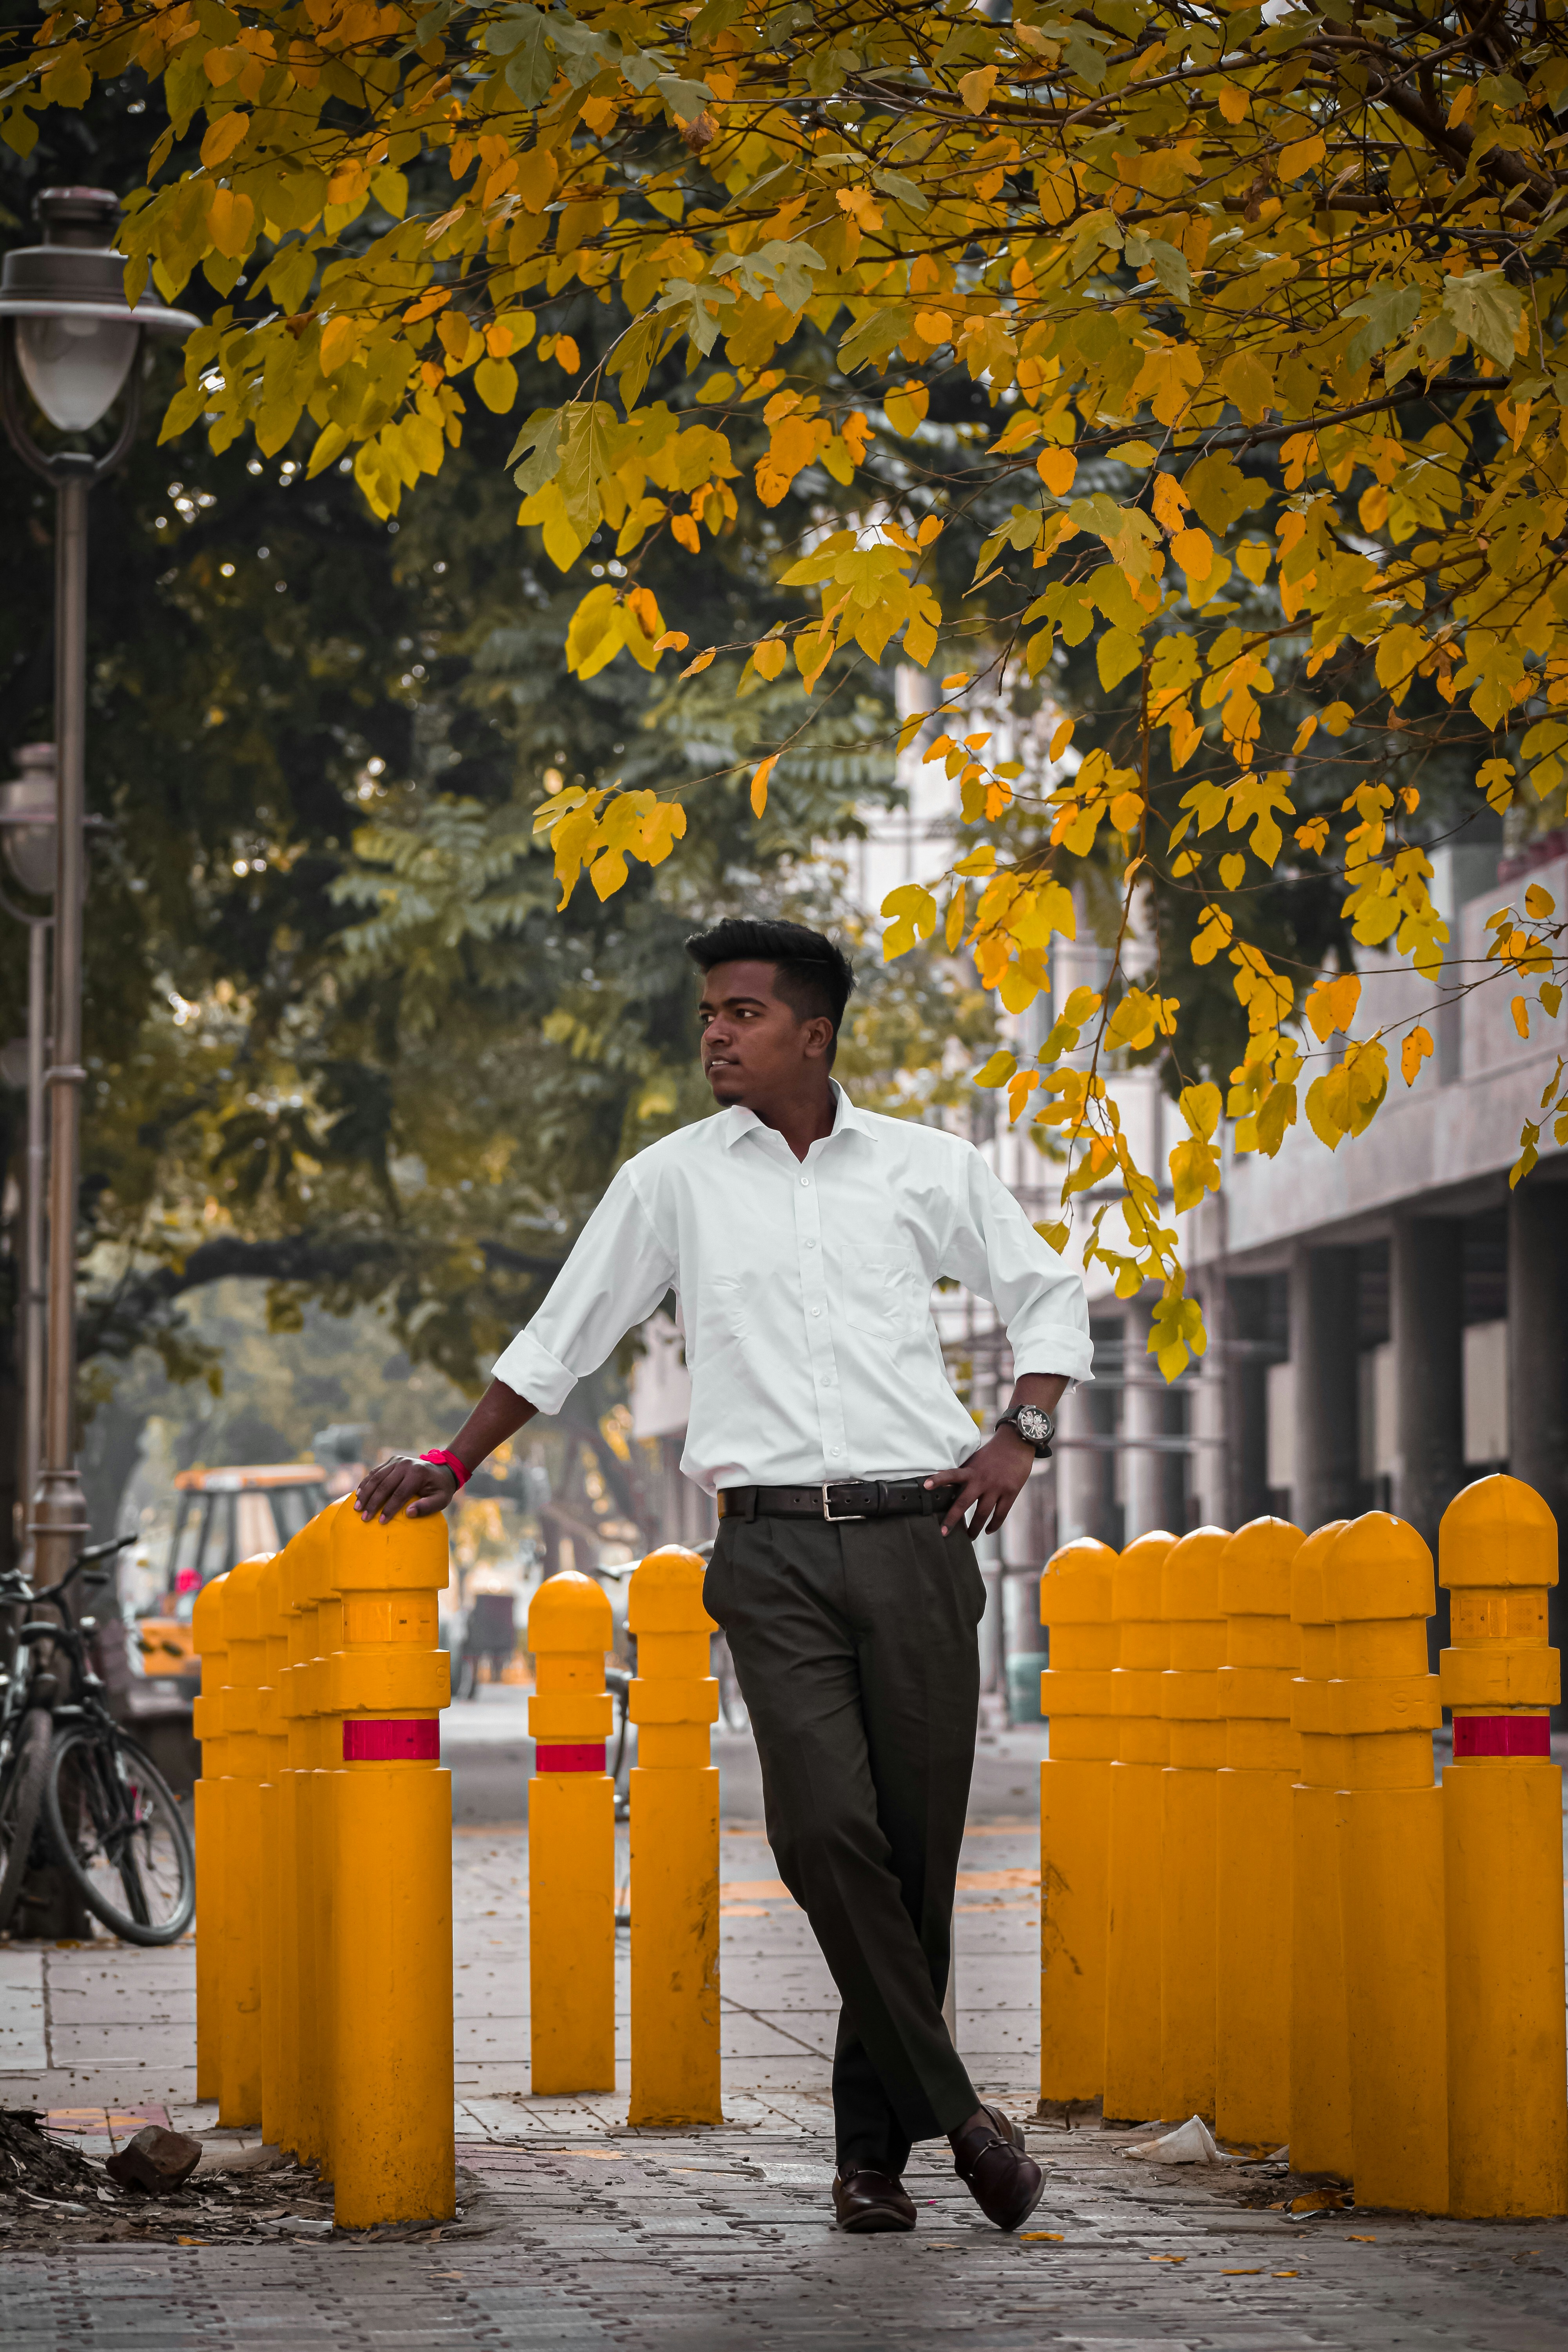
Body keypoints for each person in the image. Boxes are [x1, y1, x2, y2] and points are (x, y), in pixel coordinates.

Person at [356, 916, 1092, 2236]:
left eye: (743, 1013)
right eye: (709, 1012)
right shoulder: (670, 1182)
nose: (715, 1033)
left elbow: (1049, 1297)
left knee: (914, 1863)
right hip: (769, 1552)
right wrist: (453, 1463)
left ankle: (872, 2160)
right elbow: (561, 1337)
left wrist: (1019, 1437)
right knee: (821, 1833)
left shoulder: (929, 1168)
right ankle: (967, 2118)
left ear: (814, 1033)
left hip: (923, 1538)